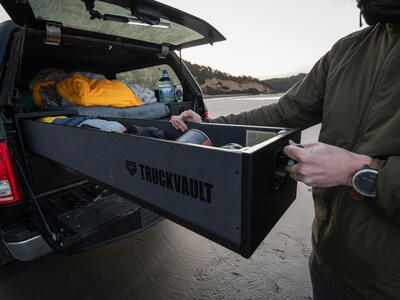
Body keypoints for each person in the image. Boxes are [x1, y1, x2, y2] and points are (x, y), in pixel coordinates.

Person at [170, 1, 400, 299]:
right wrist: (211, 127)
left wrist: (360, 172)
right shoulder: (349, 48)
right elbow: (284, 113)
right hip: (328, 261)